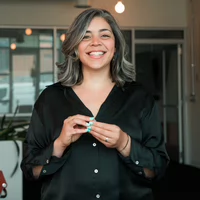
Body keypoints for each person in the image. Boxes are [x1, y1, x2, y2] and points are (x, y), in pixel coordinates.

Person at [20, 8, 169, 200]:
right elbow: (31, 170)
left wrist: (125, 144)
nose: (95, 43)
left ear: (115, 47)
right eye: (86, 36)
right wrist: (60, 143)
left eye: (105, 35)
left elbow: (158, 170)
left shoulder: (140, 98)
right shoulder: (49, 99)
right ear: (75, 47)